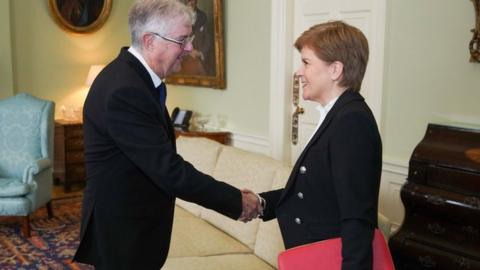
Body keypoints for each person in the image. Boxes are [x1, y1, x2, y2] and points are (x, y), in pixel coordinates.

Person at [72, 0, 260, 269]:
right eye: (182, 40)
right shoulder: (125, 89)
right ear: (150, 41)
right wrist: (235, 201)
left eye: (190, 39)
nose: (190, 48)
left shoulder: (134, 78)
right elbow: (169, 171)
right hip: (123, 232)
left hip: (132, 225)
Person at [247, 21, 382, 269]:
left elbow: (356, 217)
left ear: (335, 70)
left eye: (307, 62)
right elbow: (312, 193)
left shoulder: (352, 121)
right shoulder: (338, 114)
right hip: (309, 255)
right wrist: (261, 202)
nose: (299, 72)